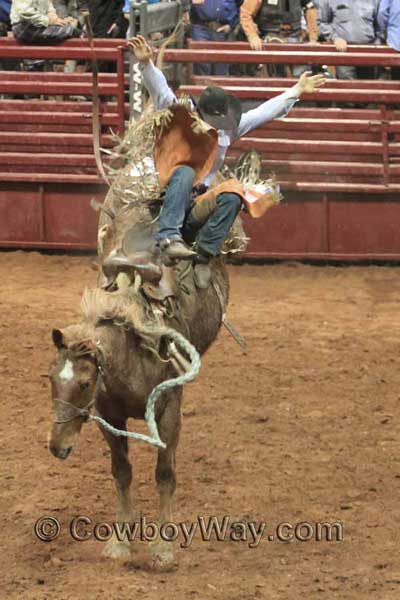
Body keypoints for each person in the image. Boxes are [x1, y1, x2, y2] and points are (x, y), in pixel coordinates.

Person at [128, 35, 325, 287]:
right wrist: (146, 65)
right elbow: (161, 92)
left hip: (198, 200)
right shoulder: (180, 114)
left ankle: (203, 256)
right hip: (168, 196)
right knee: (185, 172)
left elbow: (264, 112)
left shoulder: (229, 129)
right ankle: (168, 239)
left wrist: (296, 90)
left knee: (233, 193)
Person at [240, 0, 319, 77]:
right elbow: (246, 13)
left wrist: (313, 38)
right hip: (269, 37)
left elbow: (310, 8)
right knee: (276, 73)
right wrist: (252, 35)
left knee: (302, 74)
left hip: (296, 37)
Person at [317, 0, 381, 79]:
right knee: (346, 87)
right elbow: (321, 22)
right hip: (343, 53)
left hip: (368, 52)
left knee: (368, 87)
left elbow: (380, 25)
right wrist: (335, 38)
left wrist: (376, 45)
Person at [190, 0, 240, 76]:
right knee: (201, 64)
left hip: (223, 30)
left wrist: (231, 25)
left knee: (221, 68)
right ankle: (202, 87)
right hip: (200, 27)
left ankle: (219, 86)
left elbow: (244, 8)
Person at [10, 0, 77, 42]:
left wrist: (57, 20)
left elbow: (49, 8)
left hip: (38, 25)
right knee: (71, 30)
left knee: (70, 28)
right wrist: (48, 21)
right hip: (24, 27)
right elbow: (25, 12)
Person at [378, 0, 400, 79]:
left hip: (395, 41)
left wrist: (384, 32)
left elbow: (382, 13)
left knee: (396, 79)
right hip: (395, 40)